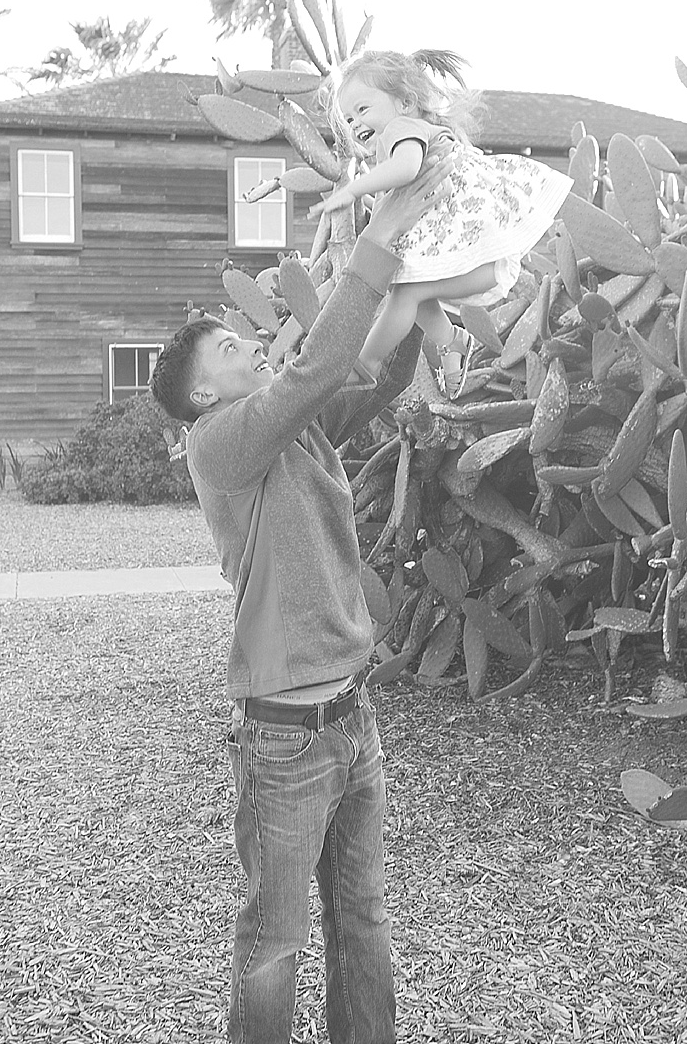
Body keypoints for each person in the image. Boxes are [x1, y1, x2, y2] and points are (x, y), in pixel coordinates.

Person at [149, 144, 454, 1044]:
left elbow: (363, 379)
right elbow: (317, 370)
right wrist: (384, 235)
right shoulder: (220, 446)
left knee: (363, 921)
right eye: (234, 347)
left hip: (353, 720)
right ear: (205, 388)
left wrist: (422, 314)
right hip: (283, 736)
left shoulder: (294, 436)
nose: (255, 346)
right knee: (272, 940)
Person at [308, 49, 571, 392]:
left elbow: (406, 168)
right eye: (348, 119)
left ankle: (366, 364)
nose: (355, 124)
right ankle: (450, 341)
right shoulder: (415, 131)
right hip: (480, 257)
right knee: (408, 290)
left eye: (363, 109)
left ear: (405, 102)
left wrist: (352, 190)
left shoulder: (401, 129)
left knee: (404, 295)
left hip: (479, 258)